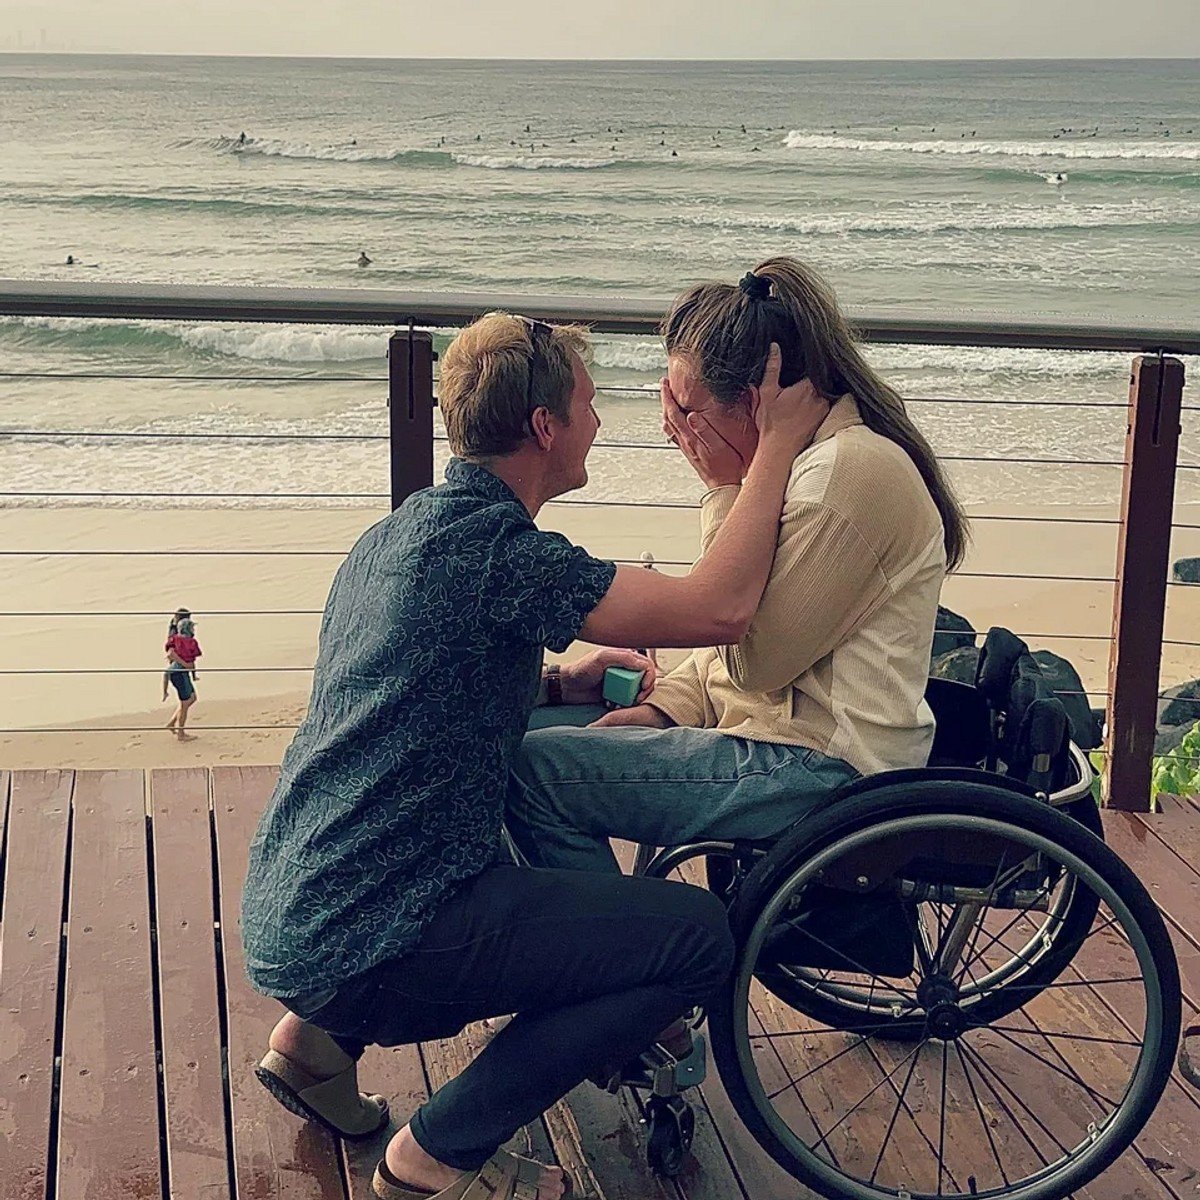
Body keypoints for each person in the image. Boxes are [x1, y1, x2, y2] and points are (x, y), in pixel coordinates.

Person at [240, 313, 827, 1200]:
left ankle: (312, 1048)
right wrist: (777, 445)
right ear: (546, 428)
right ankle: (437, 1153)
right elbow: (720, 611)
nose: (599, 422)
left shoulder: (394, 536)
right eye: (588, 406)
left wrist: (557, 683)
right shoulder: (505, 557)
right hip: (383, 940)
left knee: (501, 808)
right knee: (697, 942)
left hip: (294, 909)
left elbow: (404, 698)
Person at [507, 255, 969, 882]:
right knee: (538, 725)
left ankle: (625, 954)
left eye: (687, 410)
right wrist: (666, 705)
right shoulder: (800, 466)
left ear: (754, 402)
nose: (675, 431)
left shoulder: (844, 477)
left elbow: (748, 653)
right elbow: (739, 635)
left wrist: (726, 488)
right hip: (778, 738)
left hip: (825, 767)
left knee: (536, 774)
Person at [163, 610, 201, 738]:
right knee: (186, 701)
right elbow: (171, 653)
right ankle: (180, 732)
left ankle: (172, 723)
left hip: (180, 670)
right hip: (178, 670)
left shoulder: (179, 632)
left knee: (191, 698)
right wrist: (185, 664)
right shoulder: (175, 633)